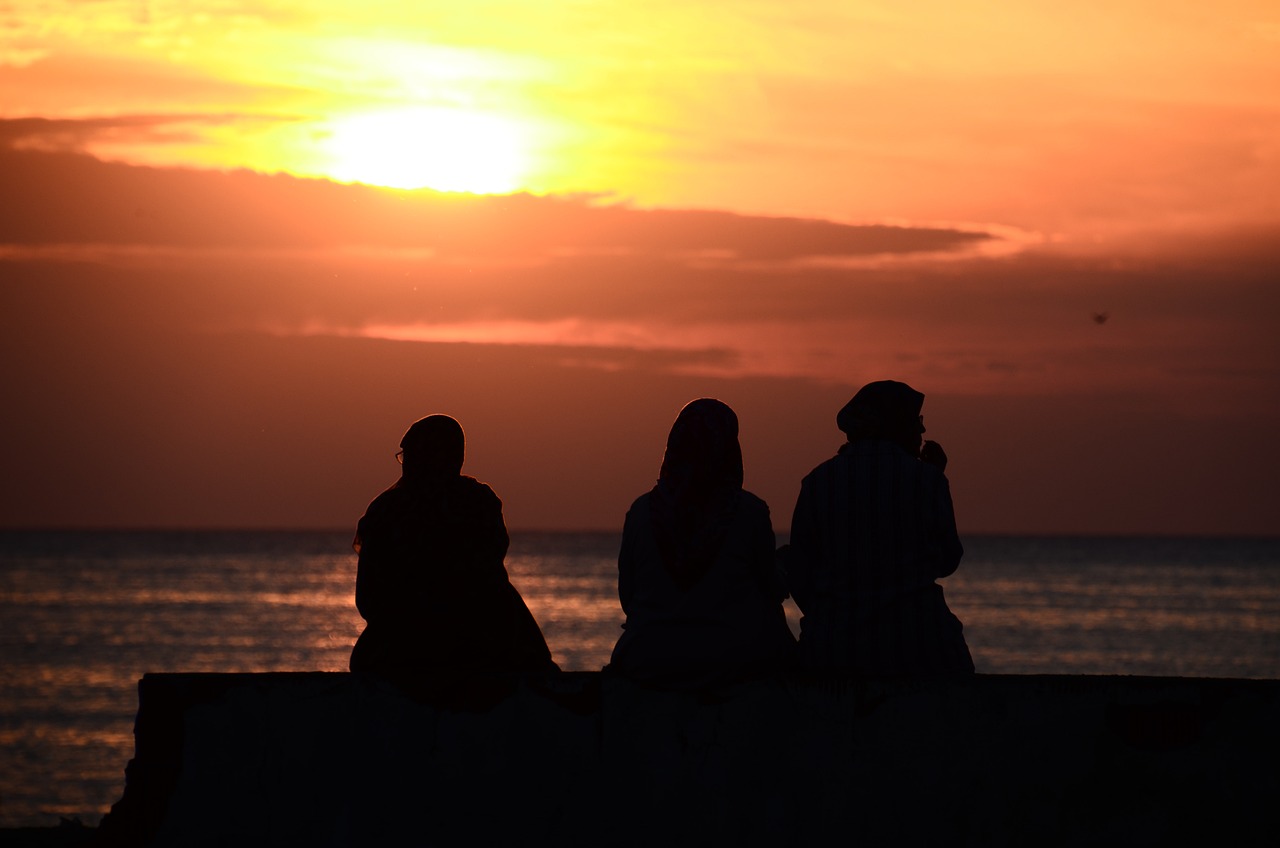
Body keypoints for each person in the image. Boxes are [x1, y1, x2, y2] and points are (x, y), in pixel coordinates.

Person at [786, 380, 974, 676]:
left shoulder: (818, 481)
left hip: (832, 649)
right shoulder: (927, 480)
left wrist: (832, 616)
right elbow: (948, 559)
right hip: (920, 646)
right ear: (896, 424)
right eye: (917, 421)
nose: (922, 431)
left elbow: (799, 568)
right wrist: (932, 477)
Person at [349, 414, 557, 680]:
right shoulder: (478, 502)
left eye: (411, 454)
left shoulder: (388, 511)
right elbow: (489, 573)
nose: (406, 464)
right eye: (405, 455)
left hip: (406, 649)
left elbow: (368, 599)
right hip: (478, 644)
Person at [608, 398, 796, 689]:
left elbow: (628, 597)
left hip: (647, 659)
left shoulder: (641, 512)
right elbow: (771, 589)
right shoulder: (749, 512)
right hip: (735, 660)